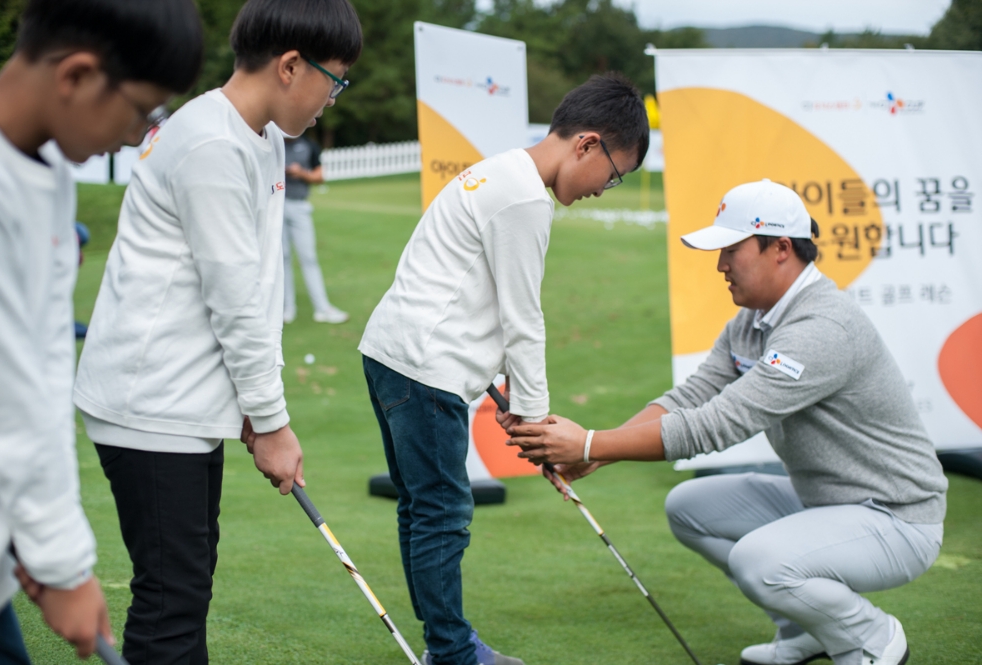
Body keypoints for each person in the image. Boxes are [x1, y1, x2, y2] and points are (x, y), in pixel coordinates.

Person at [508, 179, 948, 665]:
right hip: (825, 502)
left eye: (732, 250)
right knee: (689, 507)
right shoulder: (753, 320)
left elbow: (716, 424)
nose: (720, 265)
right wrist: (595, 455)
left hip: (896, 519)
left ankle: (871, 638)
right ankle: (810, 629)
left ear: (781, 249)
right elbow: (690, 397)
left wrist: (590, 444)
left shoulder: (823, 327)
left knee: (758, 561)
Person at [71, 0, 361, 662]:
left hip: (184, 404)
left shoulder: (260, 137)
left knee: (186, 585)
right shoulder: (210, 142)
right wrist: (272, 421)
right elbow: (234, 300)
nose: (333, 99)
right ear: (291, 65)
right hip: (150, 403)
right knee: (171, 602)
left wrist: (258, 409)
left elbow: (256, 287)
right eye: (334, 80)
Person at [359, 73, 649, 665]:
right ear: (588, 145)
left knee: (422, 507)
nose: (604, 189)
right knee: (443, 513)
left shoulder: (501, 172)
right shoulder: (524, 200)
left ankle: (446, 645)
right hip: (426, 370)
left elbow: (471, 296)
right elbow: (523, 318)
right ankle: (452, 653)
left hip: (393, 355)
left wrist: (513, 396)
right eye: (614, 174)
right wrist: (539, 425)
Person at [0, 0, 203, 661]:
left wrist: (42, 547)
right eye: (142, 111)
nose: (140, 137)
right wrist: (63, 564)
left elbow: (47, 367)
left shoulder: (48, 175)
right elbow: (4, 397)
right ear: (76, 75)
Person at [282, 133, 349, 324]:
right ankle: (287, 309)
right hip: (275, 206)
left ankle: (322, 308)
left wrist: (301, 173)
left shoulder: (309, 145)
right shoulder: (272, 141)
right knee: (282, 258)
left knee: (308, 258)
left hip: (300, 205)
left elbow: (319, 176)